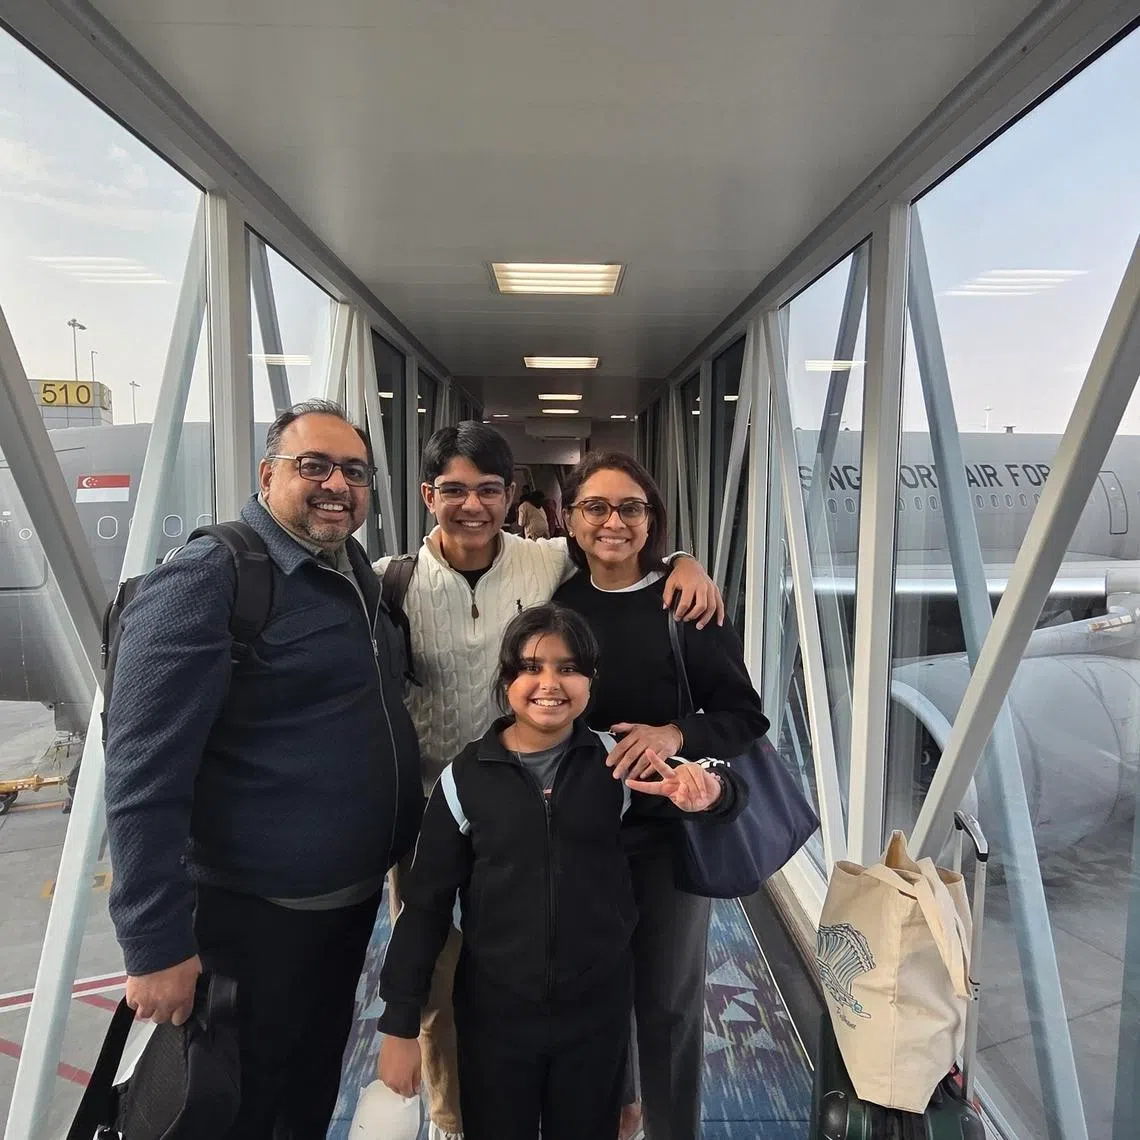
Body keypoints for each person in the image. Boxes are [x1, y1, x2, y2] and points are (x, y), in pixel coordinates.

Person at [372, 422, 722, 1140]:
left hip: (552, 785)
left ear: (514, 497)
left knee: (575, 945)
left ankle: (598, 1098)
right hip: (448, 805)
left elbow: (618, 535)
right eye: (454, 490)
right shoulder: (387, 581)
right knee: (443, 980)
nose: (472, 505)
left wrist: (684, 559)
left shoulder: (543, 563)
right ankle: (456, 1119)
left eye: (490, 490)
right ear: (426, 494)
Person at [103, 400, 424, 1140]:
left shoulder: (350, 574)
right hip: (250, 917)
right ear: (267, 473)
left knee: (305, 1089)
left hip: (342, 907)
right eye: (314, 465)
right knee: (237, 1105)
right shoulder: (211, 576)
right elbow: (144, 771)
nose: (336, 484)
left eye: (354, 471)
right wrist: (153, 943)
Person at [553, 451, 770, 1140]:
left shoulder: (685, 606)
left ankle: (673, 1128)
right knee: (590, 994)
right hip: (578, 834)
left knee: (669, 1006)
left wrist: (674, 729)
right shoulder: (556, 606)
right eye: (596, 507)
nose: (612, 521)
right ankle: (615, 1114)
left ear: (651, 521)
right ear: (571, 518)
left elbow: (744, 716)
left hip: (669, 838)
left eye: (630, 508)